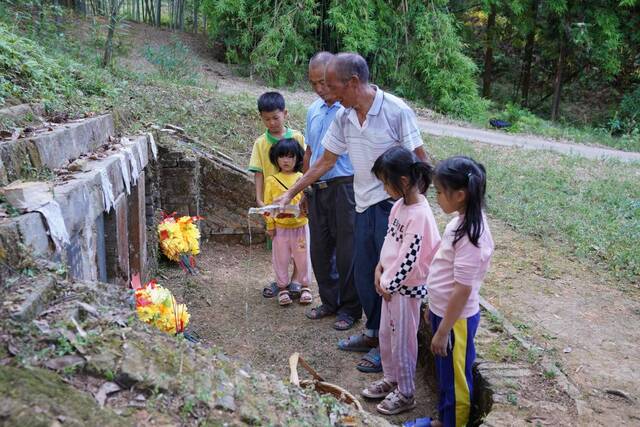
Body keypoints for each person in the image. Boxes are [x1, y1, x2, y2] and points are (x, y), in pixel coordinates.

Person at [274, 52, 429, 373]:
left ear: (354, 82)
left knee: (389, 279)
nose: (327, 92)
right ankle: (373, 333)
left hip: (391, 207)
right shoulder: (344, 117)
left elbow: (421, 162)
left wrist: (412, 208)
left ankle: (388, 348)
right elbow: (323, 161)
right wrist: (292, 190)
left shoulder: (396, 111)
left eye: (332, 86)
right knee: (363, 274)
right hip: (362, 205)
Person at [403, 156, 495, 427]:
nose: (437, 198)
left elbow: (463, 289)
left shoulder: (473, 235)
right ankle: (443, 420)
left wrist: (444, 331)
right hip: (444, 315)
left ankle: (451, 423)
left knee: (456, 381)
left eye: (440, 192)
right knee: (446, 376)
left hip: (456, 323)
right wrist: (434, 310)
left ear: (460, 195)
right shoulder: (460, 222)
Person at [359, 146, 441, 416]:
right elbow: (390, 243)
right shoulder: (398, 206)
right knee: (386, 335)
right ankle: (392, 378)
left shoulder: (420, 216)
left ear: (403, 181)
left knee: (403, 341)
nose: (384, 189)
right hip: (390, 287)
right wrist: (379, 268)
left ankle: (406, 392)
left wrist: (389, 284)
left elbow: (410, 258)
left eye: (386, 183)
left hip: (404, 292)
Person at [303, 51, 361, 331]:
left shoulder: (347, 110)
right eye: (313, 83)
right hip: (317, 188)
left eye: (324, 82)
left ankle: (350, 308)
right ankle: (329, 301)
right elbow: (311, 151)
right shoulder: (313, 110)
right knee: (320, 248)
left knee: (347, 250)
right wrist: (304, 187)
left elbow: (332, 159)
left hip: (344, 187)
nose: (319, 88)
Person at [248, 92, 306, 300]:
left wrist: (304, 194)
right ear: (261, 118)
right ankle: (281, 281)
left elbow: (305, 168)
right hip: (273, 203)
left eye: (276, 117)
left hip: (297, 200)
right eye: (266, 119)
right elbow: (258, 172)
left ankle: (297, 280)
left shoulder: (297, 137)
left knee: (300, 241)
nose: (272, 123)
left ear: (285, 114)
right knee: (278, 243)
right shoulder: (260, 143)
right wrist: (259, 199)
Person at [262, 138, 313, 306]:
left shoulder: (302, 178)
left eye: (290, 157)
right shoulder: (271, 180)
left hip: (300, 226)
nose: (286, 160)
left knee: (303, 257)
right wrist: (270, 225)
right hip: (280, 229)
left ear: (298, 158)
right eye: (282, 156)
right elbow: (268, 206)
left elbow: (308, 201)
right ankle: (282, 288)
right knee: (280, 258)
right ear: (275, 158)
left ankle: (304, 285)